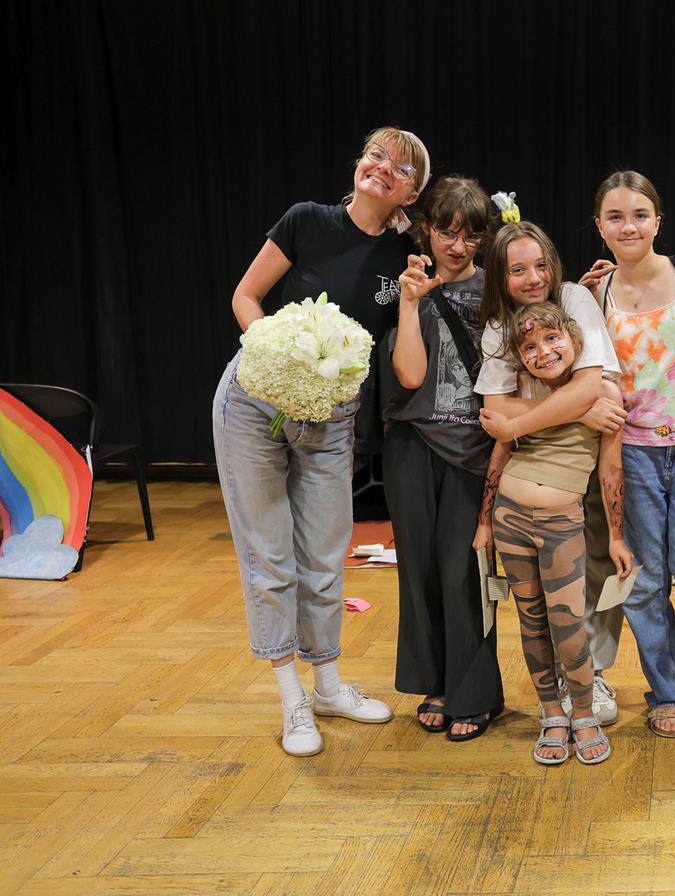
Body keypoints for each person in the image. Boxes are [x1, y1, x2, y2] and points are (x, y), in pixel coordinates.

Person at [212, 126, 427, 757]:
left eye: (402, 167)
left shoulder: (405, 254)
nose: (383, 168)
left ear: (412, 194)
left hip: (332, 416)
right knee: (270, 556)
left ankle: (329, 685)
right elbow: (246, 296)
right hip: (255, 400)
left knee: (328, 555)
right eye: (376, 155)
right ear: (359, 162)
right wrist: (274, 351)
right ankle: (293, 701)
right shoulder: (306, 220)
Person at [585, 171, 675, 739]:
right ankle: (667, 689)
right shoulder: (593, 294)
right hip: (632, 455)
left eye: (640, 215)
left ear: (658, 222)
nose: (629, 226)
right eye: (616, 217)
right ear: (600, 227)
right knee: (642, 583)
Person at [473, 219, 627, 726]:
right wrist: (579, 411)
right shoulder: (499, 325)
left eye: (541, 265)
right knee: (535, 611)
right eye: (518, 270)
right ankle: (556, 695)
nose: (534, 278)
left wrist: (527, 421)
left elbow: (593, 390)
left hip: (578, 470)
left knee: (591, 575)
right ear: (500, 276)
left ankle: (590, 674)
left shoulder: (573, 298)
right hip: (521, 493)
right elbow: (495, 411)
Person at [383, 176, 503, 742]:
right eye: (447, 233)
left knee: (464, 574)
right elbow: (410, 376)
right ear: (426, 229)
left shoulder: (496, 290)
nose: (458, 247)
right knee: (420, 571)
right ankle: (436, 683)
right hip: (412, 446)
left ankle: (475, 694)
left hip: (475, 449)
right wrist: (410, 303)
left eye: (471, 236)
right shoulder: (408, 286)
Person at [490, 302, 632, 765]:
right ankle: (551, 713)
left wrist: (616, 536)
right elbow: (500, 453)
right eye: (529, 346)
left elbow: (611, 471)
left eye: (552, 339)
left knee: (568, 627)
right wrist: (483, 522)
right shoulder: (521, 390)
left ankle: (584, 714)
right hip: (509, 519)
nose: (543, 352)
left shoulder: (602, 391)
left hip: (561, 525)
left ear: (575, 339)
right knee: (530, 621)